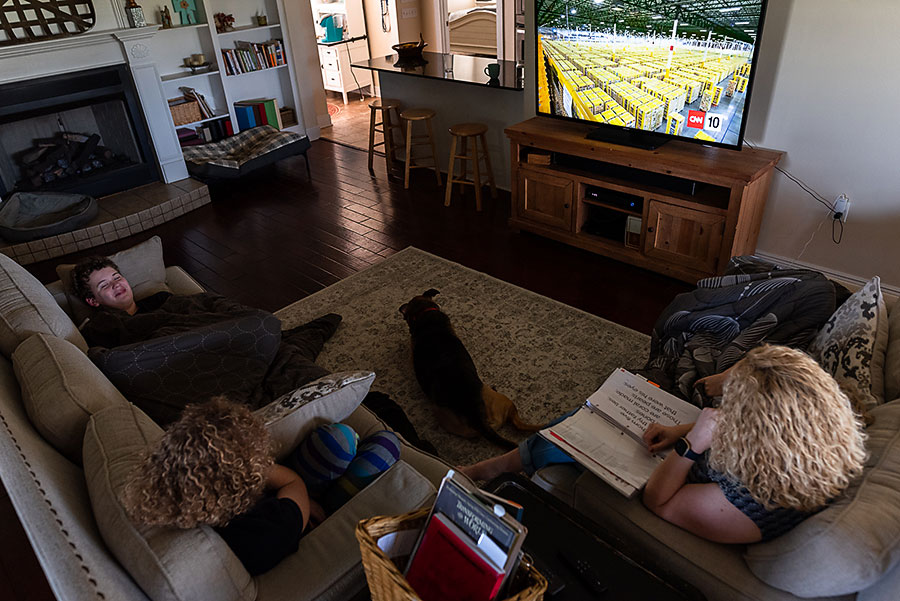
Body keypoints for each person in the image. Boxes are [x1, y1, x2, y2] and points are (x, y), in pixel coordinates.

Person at [461, 345, 867, 543]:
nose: (724, 406)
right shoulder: (814, 432)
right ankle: (502, 463)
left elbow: (661, 502)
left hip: (679, 478)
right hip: (715, 454)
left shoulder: (748, 504)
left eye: (733, 408)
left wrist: (692, 443)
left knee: (577, 437)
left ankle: (491, 470)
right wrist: (683, 428)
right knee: (596, 414)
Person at [69, 255, 341, 424]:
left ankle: (356, 403)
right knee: (273, 340)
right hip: (176, 366)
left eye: (117, 277)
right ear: (93, 301)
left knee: (269, 336)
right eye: (105, 285)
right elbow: (111, 360)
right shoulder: (103, 326)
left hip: (215, 347)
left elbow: (211, 306)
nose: (117, 284)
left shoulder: (163, 300)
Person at [123, 397, 324, 575]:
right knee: (338, 441)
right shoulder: (272, 527)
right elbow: (293, 482)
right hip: (297, 511)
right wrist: (260, 471)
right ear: (248, 472)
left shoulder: (167, 503)